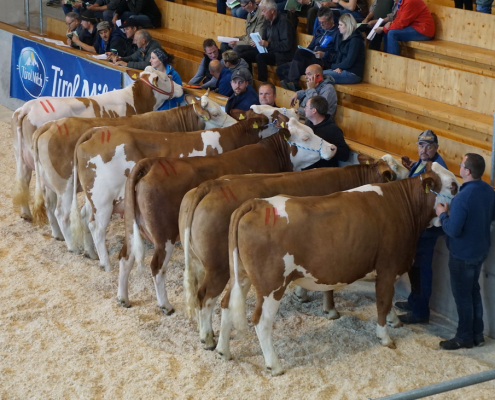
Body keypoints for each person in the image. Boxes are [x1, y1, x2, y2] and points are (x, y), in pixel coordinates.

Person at [435, 153, 495, 350]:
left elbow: (452, 229)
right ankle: (477, 335)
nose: (459, 167)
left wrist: (443, 215)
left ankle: (463, 337)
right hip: (480, 251)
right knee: (473, 292)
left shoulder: (462, 197)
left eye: (461, 165)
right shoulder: (488, 190)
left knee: (462, 297)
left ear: (467, 171)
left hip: (462, 255)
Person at [395, 130, 448, 325]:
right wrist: (411, 168)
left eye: (428, 146)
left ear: (436, 148)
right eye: (420, 145)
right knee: (414, 266)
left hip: (426, 228)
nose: (423, 150)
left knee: (421, 269)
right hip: (417, 224)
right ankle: (414, 302)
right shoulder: (422, 163)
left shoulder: (437, 169)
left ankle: (420, 313)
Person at [278, 7, 339, 91]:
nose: (321, 24)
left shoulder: (337, 33)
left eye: (324, 22)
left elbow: (337, 55)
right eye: (319, 22)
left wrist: (324, 55)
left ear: (331, 19)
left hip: (322, 62)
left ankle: (293, 83)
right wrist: (305, 50)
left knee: (299, 54)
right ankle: (296, 89)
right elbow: (311, 46)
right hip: (311, 58)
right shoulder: (319, 30)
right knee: (280, 69)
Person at [303, 96, 350, 169]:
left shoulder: (333, 130)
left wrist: (333, 149)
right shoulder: (308, 124)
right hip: (307, 168)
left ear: (314, 110)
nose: (304, 109)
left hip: (323, 171)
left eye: (306, 106)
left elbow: (345, 155)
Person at [254, 0, 295, 82]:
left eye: (263, 11)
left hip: (282, 55)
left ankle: (262, 83)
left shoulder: (284, 22)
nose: (262, 14)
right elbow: (265, 38)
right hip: (270, 51)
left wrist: (268, 44)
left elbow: (286, 45)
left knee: (260, 57)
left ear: (272, 10)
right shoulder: (267, 22)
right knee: (244, 52)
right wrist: (258, 42)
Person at [323, 13, 365, 84]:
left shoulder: (356, 40)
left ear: (347, 26)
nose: (338, 27)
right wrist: (338, 68)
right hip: (344, 70)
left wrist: (334, 66)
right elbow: (340, 56)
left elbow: (349, 62)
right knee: (317, 73)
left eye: (341, 25)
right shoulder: (343, 37)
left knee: (320, 75)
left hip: (352, 73)